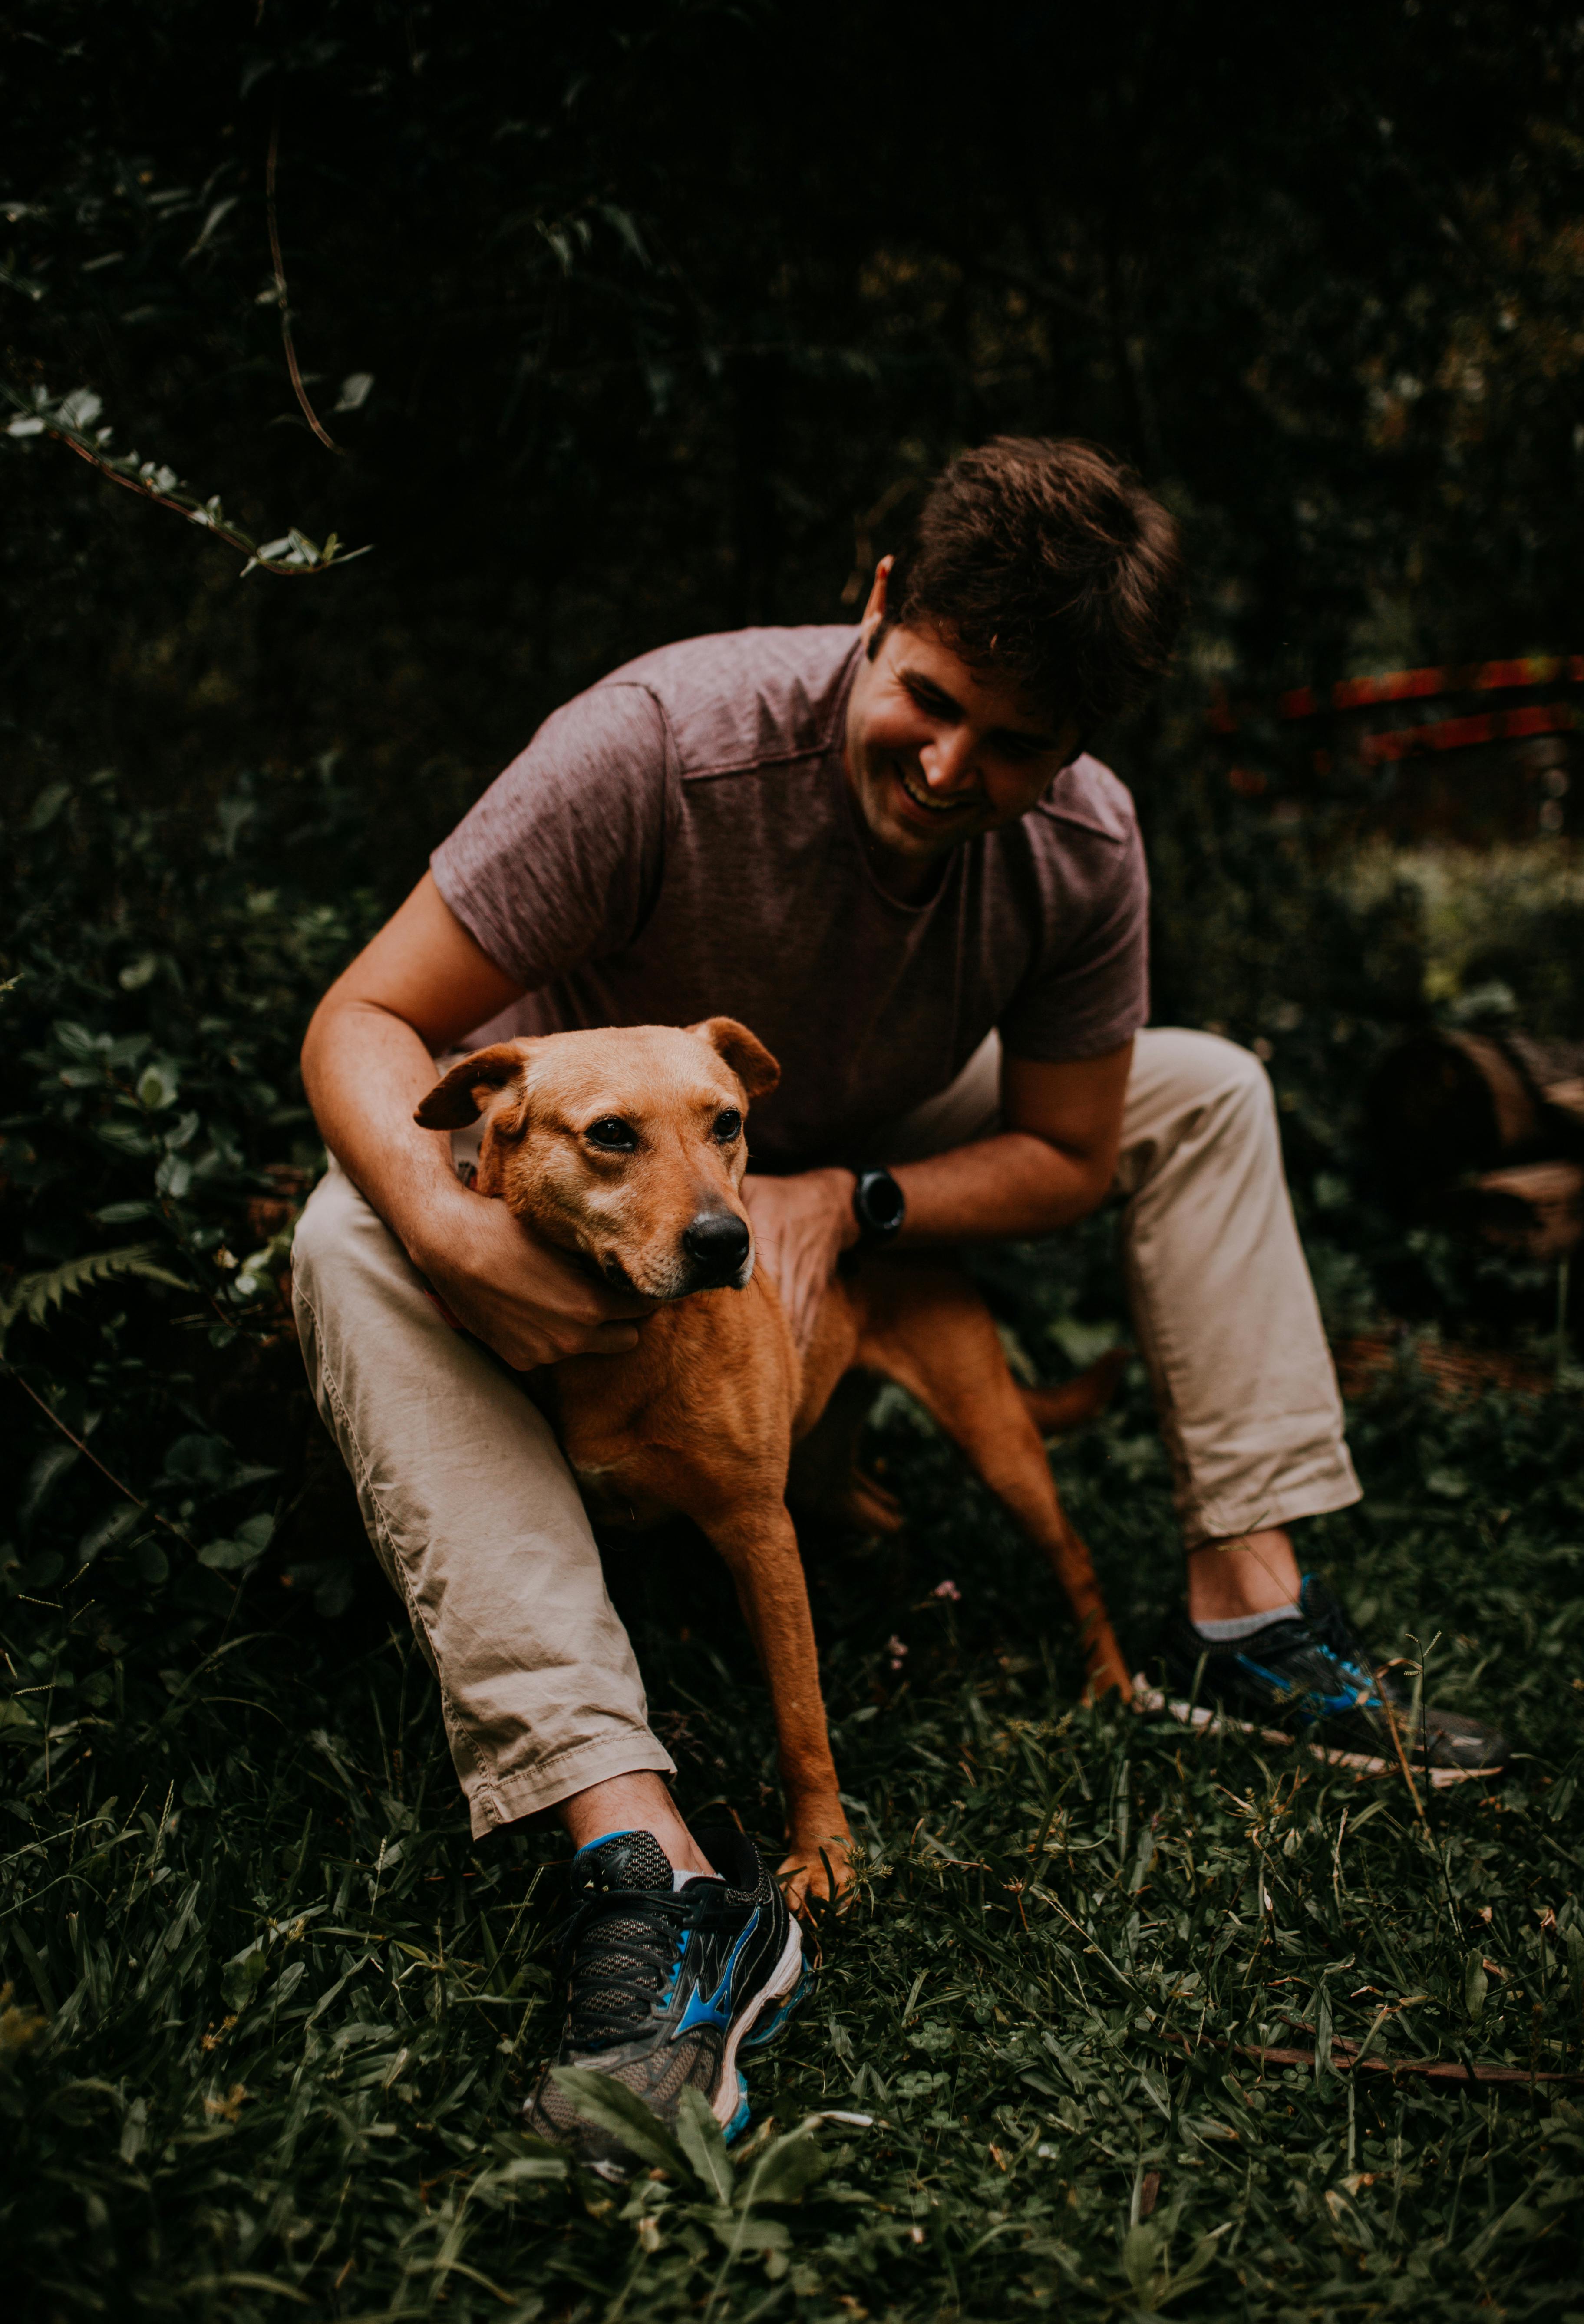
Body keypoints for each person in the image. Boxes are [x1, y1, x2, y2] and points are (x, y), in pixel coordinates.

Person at [292, 436, 1508, 2162]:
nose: (951, 769)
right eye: (929, 700)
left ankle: (1248, 1615)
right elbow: (361, 1018)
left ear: (1080, 747)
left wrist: (839, 1199)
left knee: (1211, 1085)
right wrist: (448, 1215)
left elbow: (1077, 1150)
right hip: (602, 1157)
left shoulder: (1080, 846)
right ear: (876, 608)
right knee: (346, 1237)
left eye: (1017, 746)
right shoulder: (653, 747)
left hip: (836, 1132)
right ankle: (643, 1847)